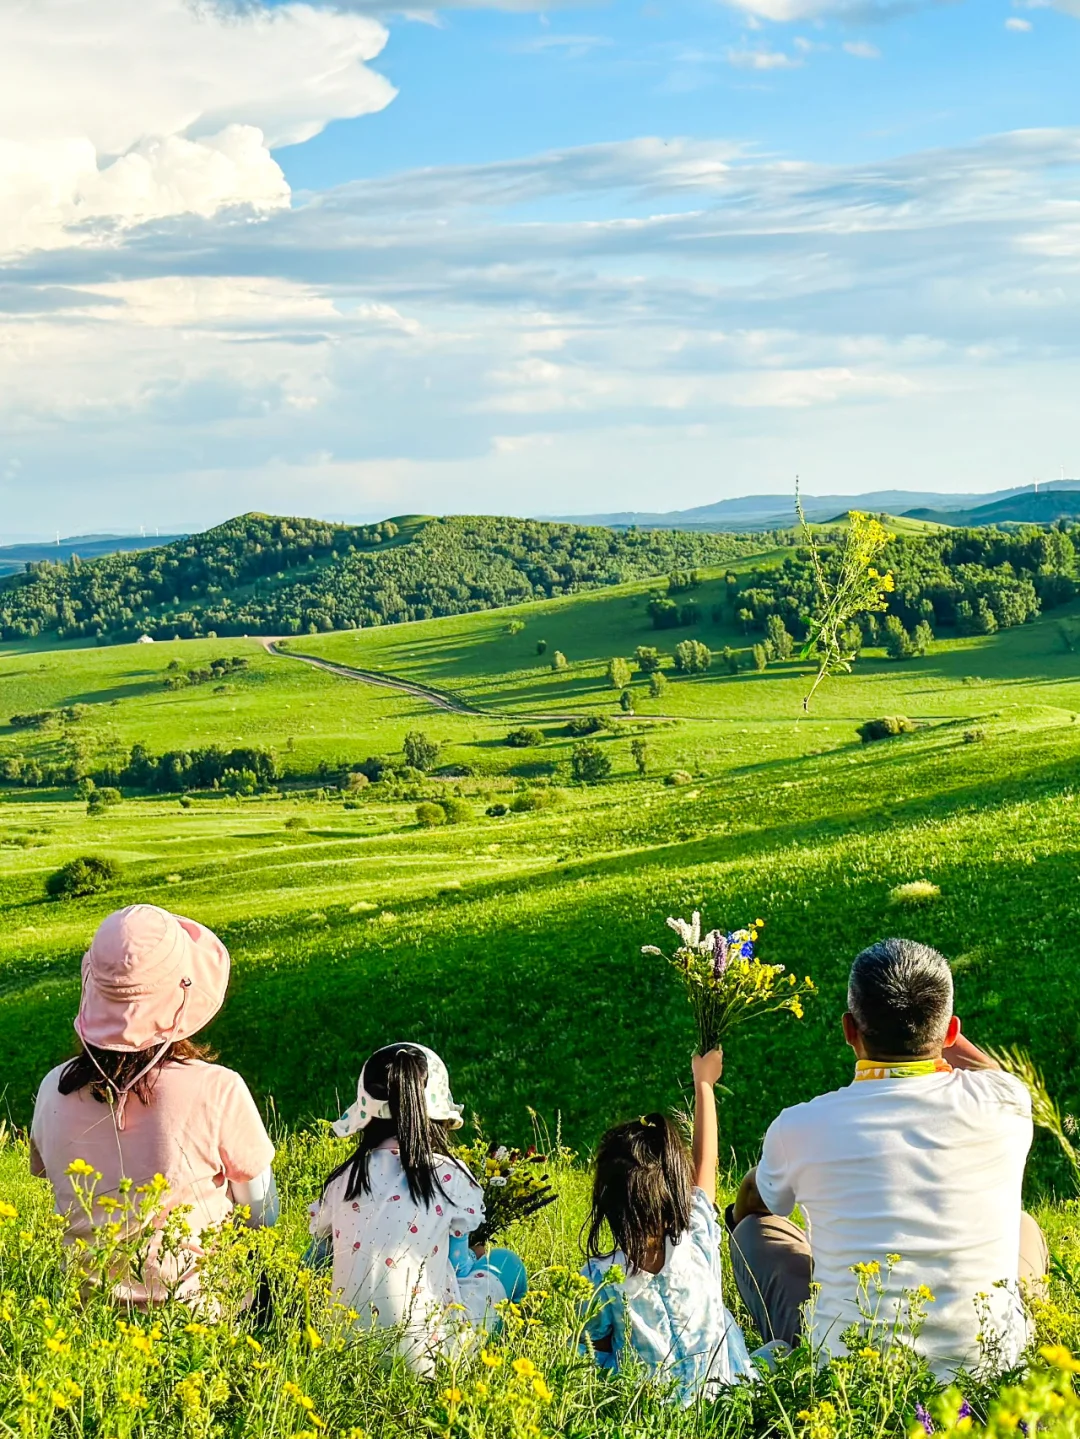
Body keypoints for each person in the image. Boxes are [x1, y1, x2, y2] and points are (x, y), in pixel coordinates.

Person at [729, 937, 1048, 1379]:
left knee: (753, 1234)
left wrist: (744, 1212)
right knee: (1024, 1227)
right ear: (952, 1031)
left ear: (849, 1030)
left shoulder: (799, 1126)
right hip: (989, 1366)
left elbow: (754, 1201)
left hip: (852, 1381)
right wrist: (934, 1032)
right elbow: (987, 1070)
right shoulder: (1006, 1101)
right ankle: (1026, 1326)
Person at [30, 904, 277, 1306]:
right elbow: (263, 1215)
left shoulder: (52, 1089)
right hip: (199, 1320)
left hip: (85, 1318)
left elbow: (55, 1184)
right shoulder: (218, 1088)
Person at [308, 1042, 527, 1375]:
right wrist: (477, 1257)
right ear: (438, 1118)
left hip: (342, 1351)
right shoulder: (448, 1175)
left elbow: (317, 1260)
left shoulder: (342, 1182)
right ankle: (496, 1350)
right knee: (505, 1266)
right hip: (429, 1355)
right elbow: (456, 1267)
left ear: (365, 1117)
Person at [580, 1050, 754, 1404]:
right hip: (724, 1401)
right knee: (771, 1347)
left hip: (647, 1416)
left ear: (607, 1204)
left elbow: (592, 1355)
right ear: (677, 1193)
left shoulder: (600, 1279)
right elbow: (706, 1162)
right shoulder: (696, 1239)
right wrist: (703, 1082)